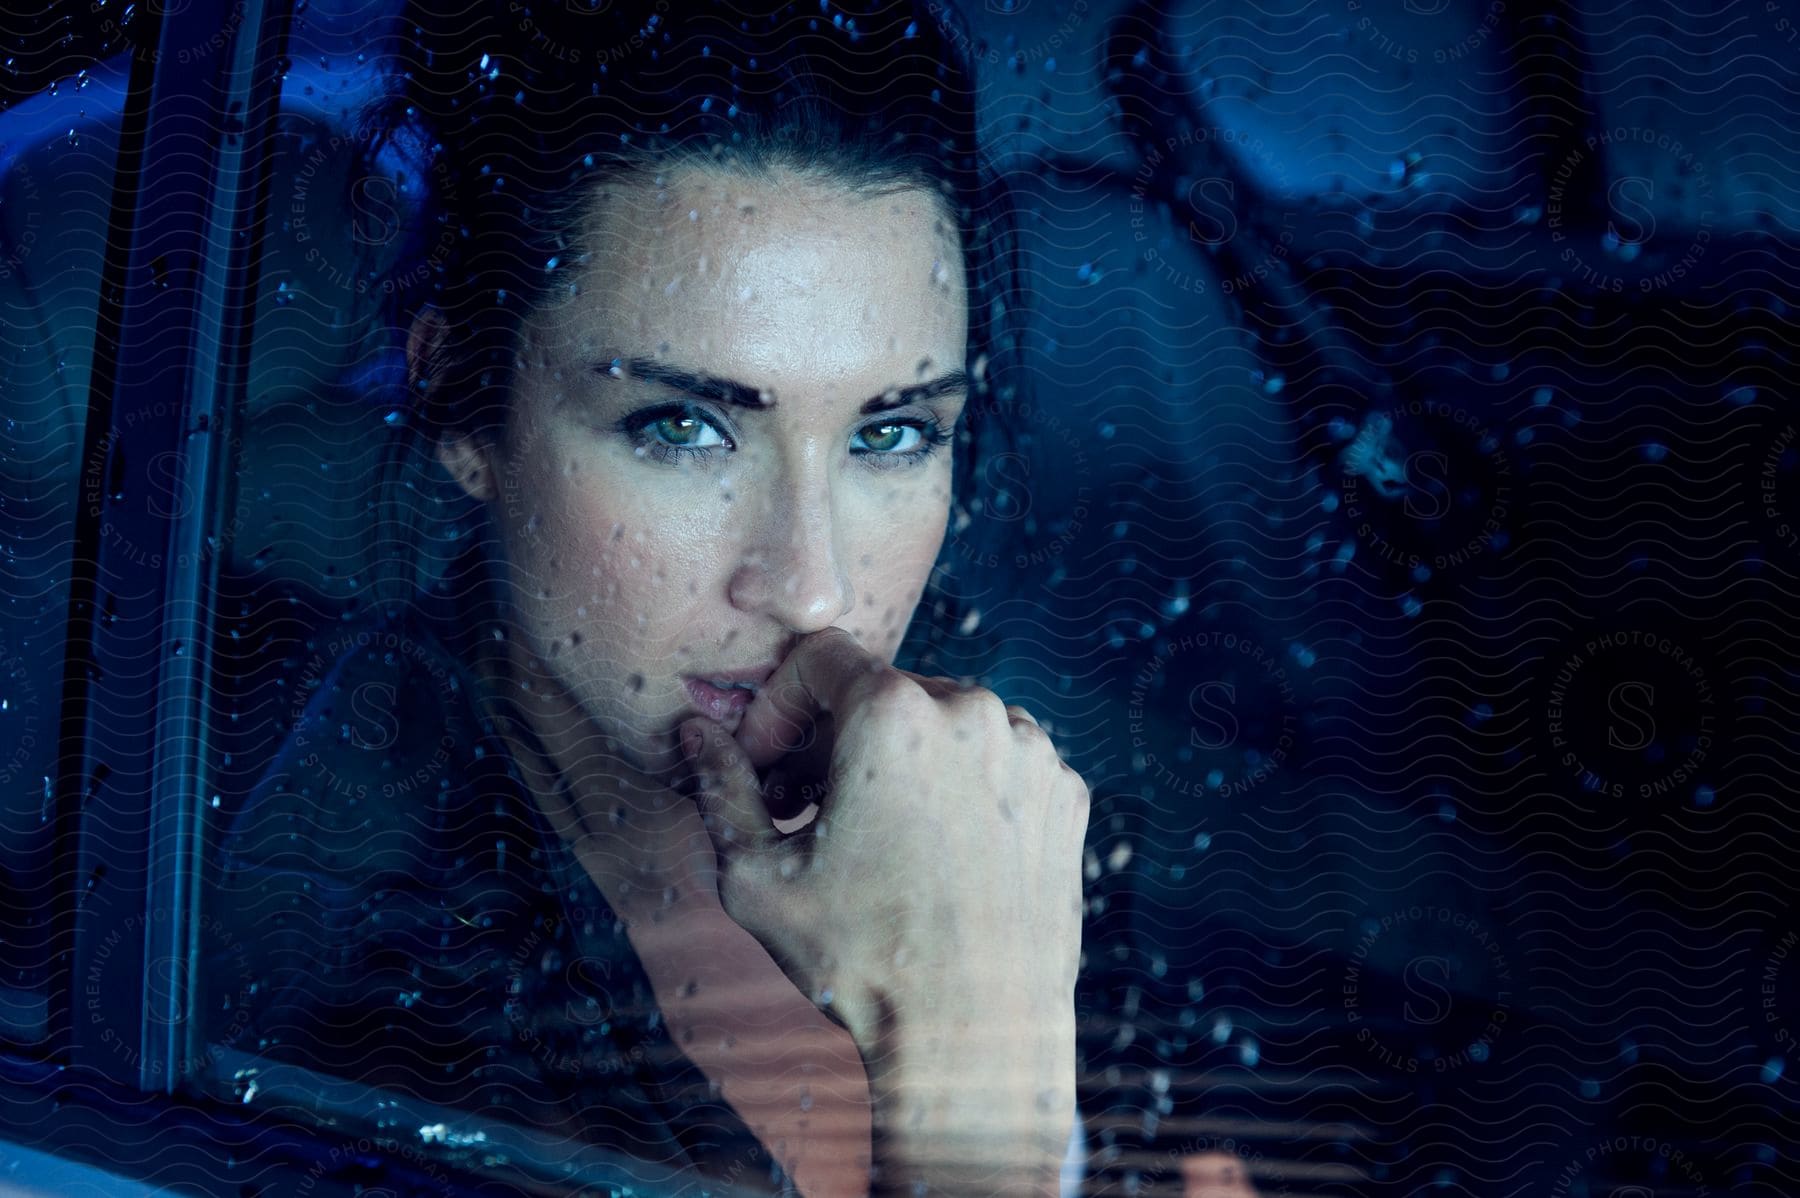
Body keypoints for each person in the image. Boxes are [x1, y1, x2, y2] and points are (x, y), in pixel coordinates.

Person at [206, 3, 1089, 1196]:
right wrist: (978, 1084)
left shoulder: (979, 795)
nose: (811, 585)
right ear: (464, 403)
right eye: (683, 428)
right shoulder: (372, 1023)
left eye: (891, 433)